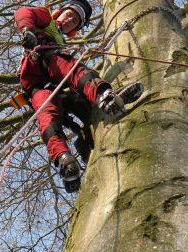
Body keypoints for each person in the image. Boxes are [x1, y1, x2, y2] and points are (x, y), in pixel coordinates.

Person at [14, 0, 143, 193]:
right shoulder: (46, 19)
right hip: (38, 64)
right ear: (60, 12)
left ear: (74, 29)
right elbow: (23, 12)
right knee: (71, 68)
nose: (69, 21)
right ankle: (103, 96)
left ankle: (64, 159)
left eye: (74, 21)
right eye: (69, 15)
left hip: (47, 85)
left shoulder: (61, 42)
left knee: (48, 117)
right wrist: (28, 31)